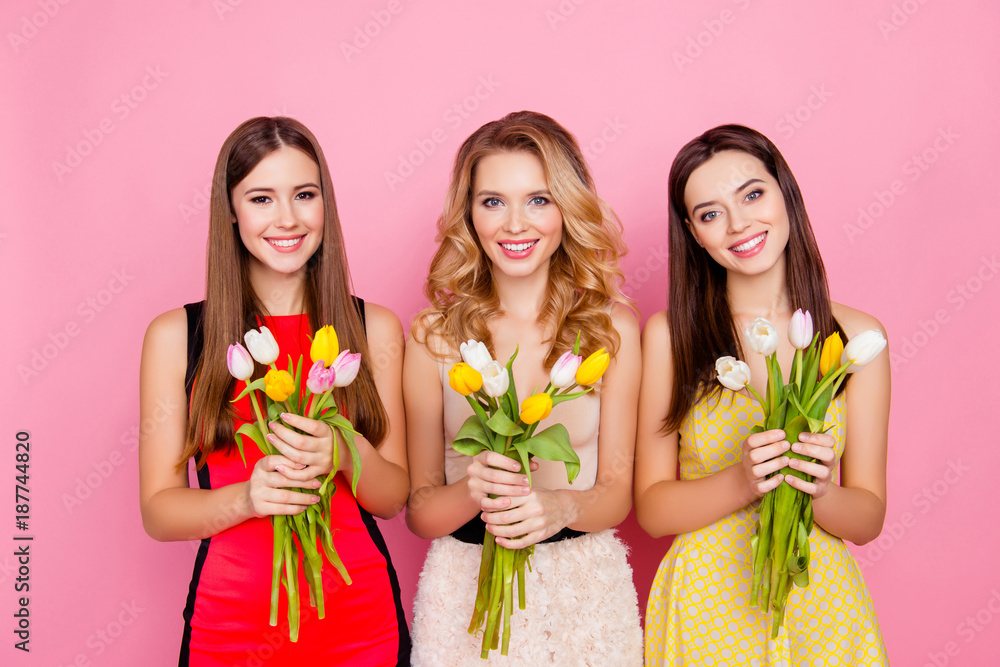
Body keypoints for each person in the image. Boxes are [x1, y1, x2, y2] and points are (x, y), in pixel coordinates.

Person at [138, 117, 411, 665]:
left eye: (304, 195)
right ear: (231, 210)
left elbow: (394, 498)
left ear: (325, 205)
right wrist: (246, 499)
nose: (288, 218)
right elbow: (159, 513)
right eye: (261, 198)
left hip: (363, 626)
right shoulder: (175, 336)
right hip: (229, 629)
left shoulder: (373, 327)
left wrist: (344, 452)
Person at [636, 125, 889, 665]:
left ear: (785, 194)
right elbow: (653, 510)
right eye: (710, 213)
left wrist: (820, 492)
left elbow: (867, 518)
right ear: (694, 233)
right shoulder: (669, 337)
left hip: (823, 607)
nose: (739, 223)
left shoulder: (856, 340)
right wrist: (742, 480)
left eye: (752, 194)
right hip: (705, 607)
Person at [403, 110, 644, 665]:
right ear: (469, 215)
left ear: (566, 207)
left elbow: (616, 492)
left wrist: (559, 505)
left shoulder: (612, 328)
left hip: (584, 593)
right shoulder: (431, 336)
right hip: (464, 594)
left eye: (538, 200)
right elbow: (419, 510)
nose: (515, 224)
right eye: (493, 202)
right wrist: (473, 489)